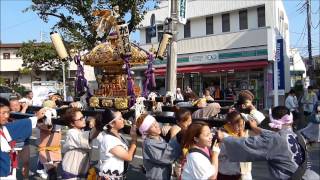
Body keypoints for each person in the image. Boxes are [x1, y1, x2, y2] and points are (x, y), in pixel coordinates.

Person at [217, 106, 319, 180]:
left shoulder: (273, 141)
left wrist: (225, 138)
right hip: (311, 176)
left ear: (273, 123)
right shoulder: (298, 136)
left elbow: (247, 144)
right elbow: (273, 136)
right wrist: (256, 128)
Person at [0, 97, 46, 179]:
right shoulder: (6, 126)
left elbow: (22, 124)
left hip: (20, 147)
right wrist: (36, 117)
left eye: (7, 112)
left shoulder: (4, 127)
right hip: (3, 172)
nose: (6, 116)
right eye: (3, 113)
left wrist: (36, 117)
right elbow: (19, 125)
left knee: (26, 162)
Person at [136, 114, 181, 180]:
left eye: (156, 122)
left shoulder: (157, 137)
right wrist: (174, 135)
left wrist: (169, 130)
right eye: (152, 126)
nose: (157, 126)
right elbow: (168, 156)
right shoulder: (149, 143)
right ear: (146, 131)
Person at [97, 109, 137, 179]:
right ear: (112, 124)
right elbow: (129, 157)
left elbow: (130, 154)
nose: (123, 120)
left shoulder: (120, 135)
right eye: (120, 118)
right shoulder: (109, 139)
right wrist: (134, 140)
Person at [61, 108, 100, 179]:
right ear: (72, 123)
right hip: (71, 173)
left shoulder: (80, 131)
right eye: (80, 119)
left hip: (80, 171)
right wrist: (98, 123)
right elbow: (90, 136)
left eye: (83, 117)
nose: (84, 120)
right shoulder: (71, 133)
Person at [218, 111, 252, 180]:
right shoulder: (223, 135)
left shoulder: (243, 134)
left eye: (242, 125)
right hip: (228, 172)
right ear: (229, 124)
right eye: (239, 126)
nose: (241, 128)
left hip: (242, 172)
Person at [8, 98, 31, 177]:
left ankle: (26, 178)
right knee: (12, 164)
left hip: (25, 141)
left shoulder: (25, 111)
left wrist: (26, 106)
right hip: (13, 144)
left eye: (17, 105)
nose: (15, 107)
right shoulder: (9, 114)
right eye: (13, 106)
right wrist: (24, 108)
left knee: (26, 162)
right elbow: (19, 120)